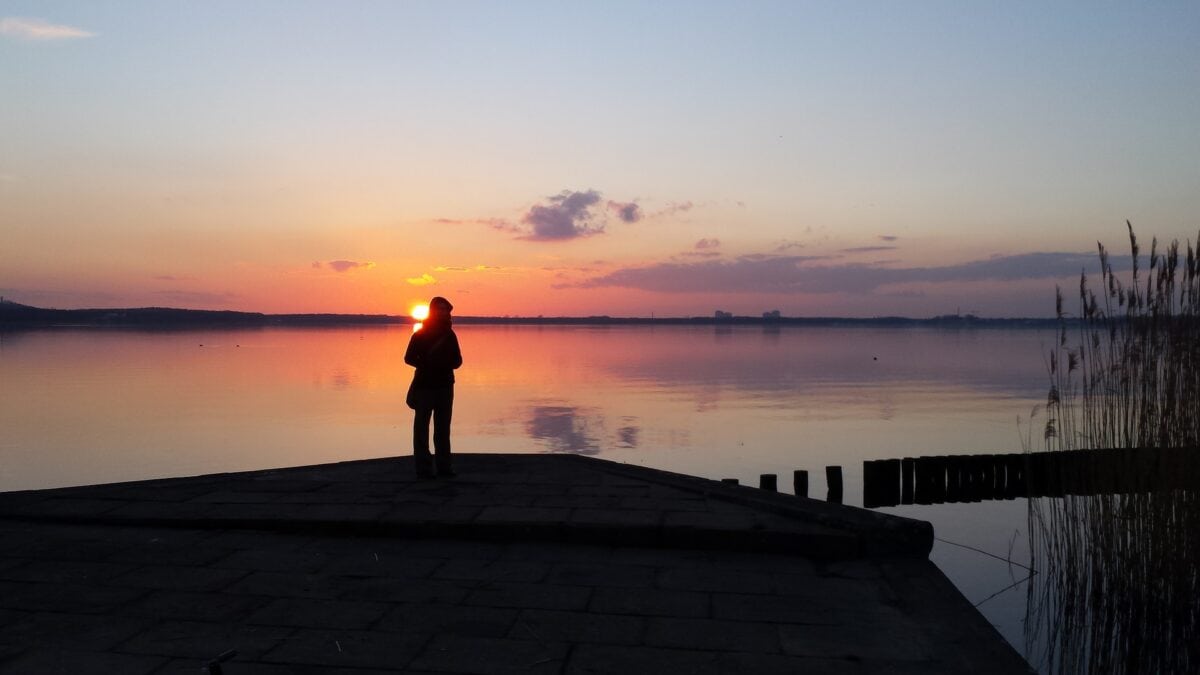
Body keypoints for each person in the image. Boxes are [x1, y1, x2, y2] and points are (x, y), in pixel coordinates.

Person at [404, 296, 462, 478]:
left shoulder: (449, 334)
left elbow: (458, 360)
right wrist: (427, 363)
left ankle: (444, 467)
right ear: (432, 311)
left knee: (443, 429)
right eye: (440, 309)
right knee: (421, 428)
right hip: (424, 386)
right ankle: (423, 469)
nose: (443, 312)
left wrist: (446, 363)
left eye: (446, 309)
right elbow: (408, 358)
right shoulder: (420, 334)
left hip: (445, 386)